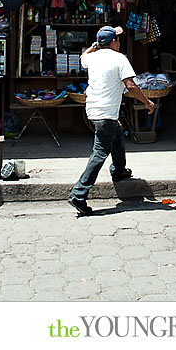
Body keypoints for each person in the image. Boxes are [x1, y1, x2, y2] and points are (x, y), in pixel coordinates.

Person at [69, 25, 155, 216]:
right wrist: (147, 102)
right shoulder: (119, 59)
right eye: (117, 39)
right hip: (105, 112)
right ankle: (79, 193)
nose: (119, 42)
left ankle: (119, 170)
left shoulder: (93, 57)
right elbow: (131, 85)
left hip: (93, 110)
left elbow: (83, 58)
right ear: (114, 42)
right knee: (99, 153)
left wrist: (93, 46)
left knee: (117, 132)